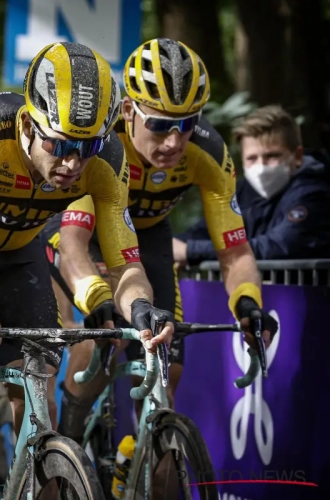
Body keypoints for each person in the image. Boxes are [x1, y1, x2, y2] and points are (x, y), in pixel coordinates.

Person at [0, 42, 177, 498]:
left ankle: (38, 473)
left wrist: (141, 306)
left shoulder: (108, 162)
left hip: (17, 248)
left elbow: (125, 265)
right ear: (27, 124)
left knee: (41, 369)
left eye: (87, 147)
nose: (71, 163)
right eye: (59, 144)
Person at [40, 38, 278, 446]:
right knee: (105, 340)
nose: (173, 141)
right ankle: (69, 449)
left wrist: (248, 302)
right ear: (130, 111)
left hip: (148, 234)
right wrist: (99, 298)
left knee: (168, 367)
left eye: (186, 124)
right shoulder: (101, 144)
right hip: (84, 232)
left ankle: (145, 460)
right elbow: (74, 246)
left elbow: (235, 251)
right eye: (161, 125)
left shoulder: (208, 152)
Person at [175, 104, 330, 263]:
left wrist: (190, 251)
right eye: (252, 158)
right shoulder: (243, 191)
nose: (261, 167)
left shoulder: (314, 194)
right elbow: (206, 230)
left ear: (297, 156)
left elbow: (278, 246)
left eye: (272, 156)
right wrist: (169, 247)